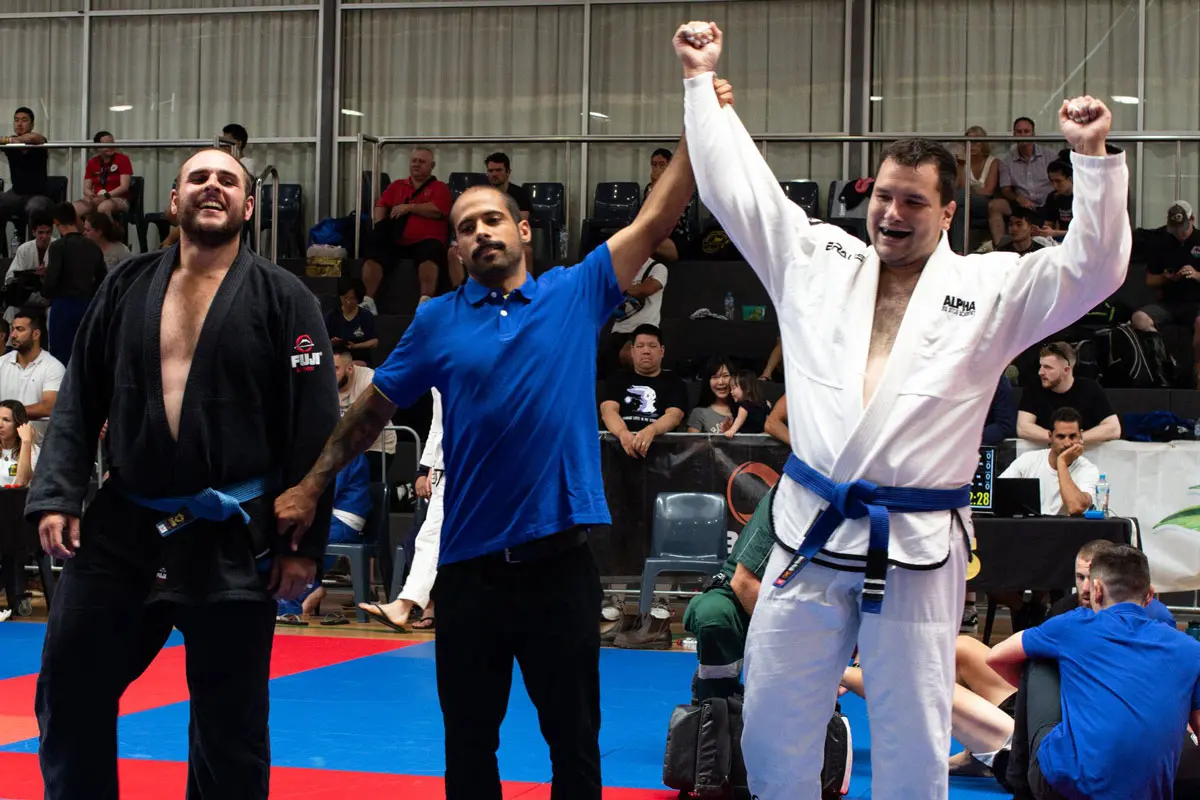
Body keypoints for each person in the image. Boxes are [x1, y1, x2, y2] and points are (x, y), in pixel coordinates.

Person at [675, 21, 1130, 800]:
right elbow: (738, 189)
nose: (891, 213)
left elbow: (1090, 271)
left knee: (915, 733)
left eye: (913, 202)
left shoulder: (990, 289)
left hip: (918, 547)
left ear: (947, 212)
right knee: (775, 719)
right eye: (883, 196)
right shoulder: (819, 261)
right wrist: (698, 80)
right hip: (808, 533)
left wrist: (1089, 162)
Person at [273, 79, 719, 799]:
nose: (479, 231)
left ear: (523, 232)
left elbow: (659, 212)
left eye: (492, 220)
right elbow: (371, 413)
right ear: (454, 249)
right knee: (469, 748)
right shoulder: (436, 320)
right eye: (465, 226)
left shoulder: (579, 292)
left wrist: (702, 119)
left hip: (561, 568)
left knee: (574, 744)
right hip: (472, 572)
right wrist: (312, 481)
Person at [25, 147, 340, 800]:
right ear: (174, 200)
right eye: (197, 177)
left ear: (248, 206)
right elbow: (81, 394)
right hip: (125, 528)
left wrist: (302, 547)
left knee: (231, 726)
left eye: (228, 179)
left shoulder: (287, 299)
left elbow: (316, 426)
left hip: (234, 536)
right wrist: (59, 492)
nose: (212, 186)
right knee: (69, 687)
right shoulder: (126, 283)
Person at [986, 545, 1200, 800]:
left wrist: (1044, 698)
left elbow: (995, 656)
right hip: (1150, 791)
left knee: (1038, 661)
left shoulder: (1074, 624)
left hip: (1064, 787)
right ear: (1150, 594)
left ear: (1096, 589)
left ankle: (1020, 788)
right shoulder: (1190, 647)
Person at [359, 387, 444, 632]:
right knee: (428, 539)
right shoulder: (441, 376)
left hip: (473, 469)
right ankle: (405, 605)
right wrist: (425, 468)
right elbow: (438, 424)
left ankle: (406, 606)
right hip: (445, 471)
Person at [684, 485, 776, 700]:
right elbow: (745, 583)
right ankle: (715, 700)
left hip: (805, 607)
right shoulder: (789, 495)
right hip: (744, 597)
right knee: (714, 614)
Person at [361, 147, 453, 311]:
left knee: (430, 253)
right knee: (374, 250)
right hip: (397, 239)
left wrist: (409, 208)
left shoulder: (440, 188)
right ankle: (368, 300)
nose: (416, 164)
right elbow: (381, 205)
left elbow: (437, 210)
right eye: (414, 161)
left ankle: (425, 301)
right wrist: (381, 224)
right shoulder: (397, 185)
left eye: (422, 161)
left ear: (432, 165)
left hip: (427, 240)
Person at [600, 323, 686, 458]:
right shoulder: (617, 379)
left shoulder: (674, 382)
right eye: (640, 346)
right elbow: (608, 411)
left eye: (652, 346)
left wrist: (651, 430)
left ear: (662, 351)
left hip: (660, 457)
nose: (646, 351)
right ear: (632, 351)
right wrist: (622, 432)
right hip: (617, 454)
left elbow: (674, 416)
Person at [1000, 407, 1099, 516]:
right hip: (1030, 528)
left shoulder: (1088, 469)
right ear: (1050, 436)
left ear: (1080, 435)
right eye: (1061, 437)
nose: (1067, 443)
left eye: (1072, 436)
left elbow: (1076, 507)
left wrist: (1061, 462)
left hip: (1067, 530)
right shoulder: (1028, 460)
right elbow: (998, 493)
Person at [1017, 341, 1120, 443]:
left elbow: (1114, 428)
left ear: (1066, 370)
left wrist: (1076, 439)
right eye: (1041, 366)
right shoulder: (1034, 388)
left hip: (1083, 455)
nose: (1041, 372)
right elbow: (1023, 428)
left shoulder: (1090, 388)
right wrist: (1057, 439)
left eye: (1048, 367)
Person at [44, 203, 108, 364]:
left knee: (60, 358)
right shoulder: (93, 246)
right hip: (87, 305)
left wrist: (45, 291)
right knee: (85, 355)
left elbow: (52, 279)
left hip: (63, 305)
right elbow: (103, 279)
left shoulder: (58, 246)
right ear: (74, 219)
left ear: (56, 223)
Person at [0, 309, 64, 440]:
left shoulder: (53, 367)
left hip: (39, 447)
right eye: (13, 329)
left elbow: (49, 407)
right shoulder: (2, 363)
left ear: (36, 334)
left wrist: (9, 413)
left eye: (20, 329)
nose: (13, 334)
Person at [0, 107, 52, 238]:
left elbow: (36, 138)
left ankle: (32, 251)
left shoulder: (39, 142)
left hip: (38, 195)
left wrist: (10, 141)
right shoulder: (10, 143)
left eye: (24, 120)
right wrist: (10, 141)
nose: (19, 124)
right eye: (16, 120)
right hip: (16, 193)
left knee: (34, 208)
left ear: (32, 124)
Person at [74, 131, 134, 219]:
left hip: (118, 199)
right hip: (97, 197)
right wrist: (92, 196)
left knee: (103, 207)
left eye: (112, 143)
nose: (111, 146)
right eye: (107, 144)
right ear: (97, 147)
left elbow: (124, 187)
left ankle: (111, 232)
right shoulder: (92, 162)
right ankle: (82, 232)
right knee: (74, 209)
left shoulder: (122, 159)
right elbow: (86, 188)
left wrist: (105, 196)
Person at [325, 277, 378, 366]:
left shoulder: (365, 315)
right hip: (338, 358)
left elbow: (374, 342)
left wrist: (356, 346)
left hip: (360, 360)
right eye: (345, 298)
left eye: (352, 298)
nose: (348, 302)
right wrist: (332, 342)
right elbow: (323, 341)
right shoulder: (332, 316)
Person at [686, 355, 735, 433]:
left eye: (725, 376)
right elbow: (691, 444)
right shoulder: (699, 413)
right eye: (715, 377)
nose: (721, 382)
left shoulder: (744, 410)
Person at [0, 399, 37, 487]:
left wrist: (26, 442)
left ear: (18, 424)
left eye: (6, 420)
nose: (0, 425)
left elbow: (21, 482)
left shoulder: (32, 451)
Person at [724, 368, 769, 436]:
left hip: (745, 442)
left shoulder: (744, 407)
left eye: (734, 388)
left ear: (747, 388)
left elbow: (738, 420)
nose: (731, 392)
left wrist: (731, 431)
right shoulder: (765, 404)